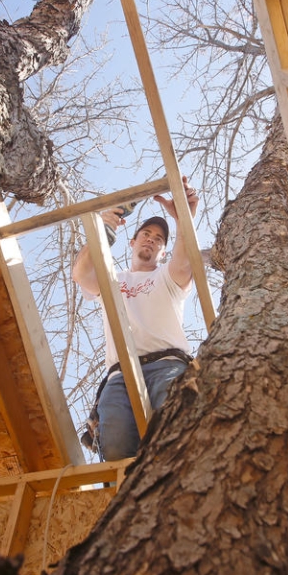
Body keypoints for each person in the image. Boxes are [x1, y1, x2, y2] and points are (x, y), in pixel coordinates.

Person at [72, 176, 200, 460]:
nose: (151, 240)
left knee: (178, 434)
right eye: (146, 235)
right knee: (117, 449)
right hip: (120, 376)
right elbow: (81, 274)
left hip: (167, 366)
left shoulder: (165, 276)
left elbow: (184, 261)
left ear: (163, 250)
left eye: (158, 239)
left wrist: (184, 218)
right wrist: (103, 227)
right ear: (132, 241)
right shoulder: (112, 280)